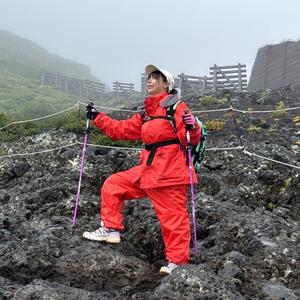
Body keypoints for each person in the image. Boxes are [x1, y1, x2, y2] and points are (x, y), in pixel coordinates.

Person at [83, 64, 201, 275]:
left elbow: (188, 137)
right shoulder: (147, 113)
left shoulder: (177, 107)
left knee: (173, 220)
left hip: (170, 172)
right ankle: (111, 229)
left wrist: (193, 126)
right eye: (149, 77)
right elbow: (121, 130)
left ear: (167, 84)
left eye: (156, 77)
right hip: (148, 170)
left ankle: (177, 264)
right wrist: (98, 117)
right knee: (114, 184)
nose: (150, 80)